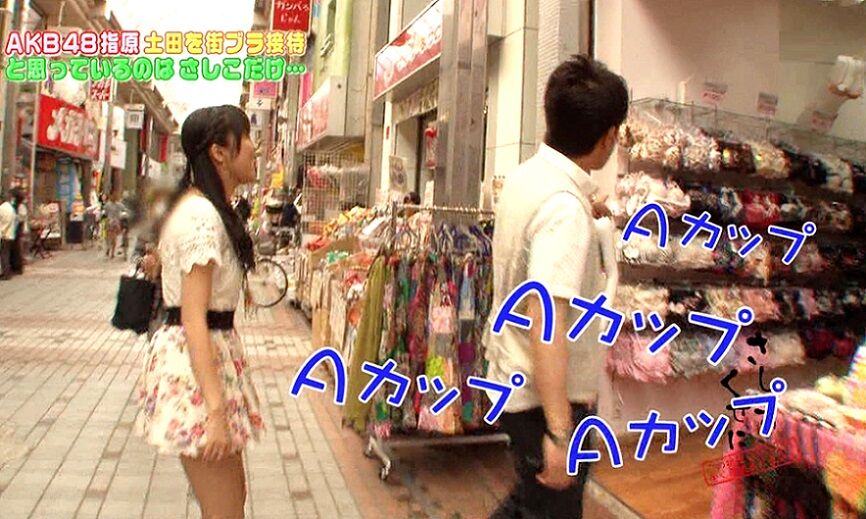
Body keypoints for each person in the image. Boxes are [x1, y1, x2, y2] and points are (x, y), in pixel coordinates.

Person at [484, 55, 628, 519]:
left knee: (529, 503)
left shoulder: (526, 178)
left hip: (513, 377)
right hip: (545, 398)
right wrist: (560, 433)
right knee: (551, 508)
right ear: (607, 137)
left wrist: (584, 206)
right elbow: (547, 322)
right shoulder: (564, 209)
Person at [136, 105, 263, 519]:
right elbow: (194, 318)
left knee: (229, 501)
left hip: (206, 362)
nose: (255, 147)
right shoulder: (201, 218)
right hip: (197, 369)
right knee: (225, 509)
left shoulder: (203, 208)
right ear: (219, 152)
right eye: (246, 137)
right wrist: (215, 412)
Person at [0, 190, 17, 281]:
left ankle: (6, 273)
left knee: (4, 255)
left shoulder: (1, 208)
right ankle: (8, 272)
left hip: (4, 234)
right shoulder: (11, 208)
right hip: (11, 234)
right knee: (7, 254)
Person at [10, 189, 27, 274]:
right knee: (14, 248)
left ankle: (18, 267)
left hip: (18, 229)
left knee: (18, 248)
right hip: (13, 228)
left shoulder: (21, 206)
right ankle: (14, 266)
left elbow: (21, 218)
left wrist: (15, 217)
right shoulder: (14, 205)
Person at [103, 194, 123, 259]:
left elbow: (105, 213)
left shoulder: (118, 205)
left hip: (113, 223)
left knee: (112, 238)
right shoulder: (108, 205)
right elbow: (105, 214)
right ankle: (110, 250)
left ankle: (111, 251)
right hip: (112, 223)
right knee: (111, 238)